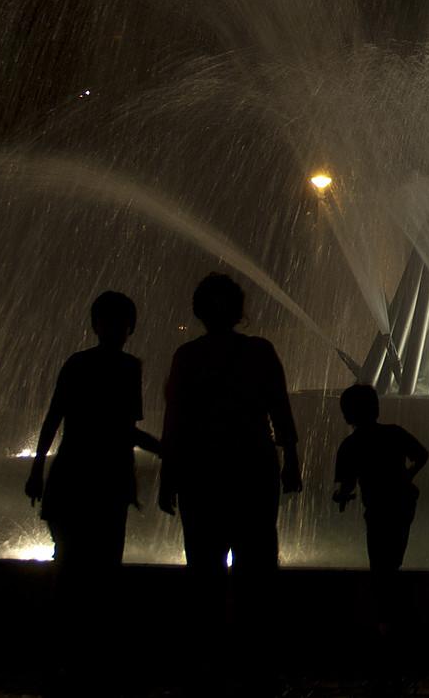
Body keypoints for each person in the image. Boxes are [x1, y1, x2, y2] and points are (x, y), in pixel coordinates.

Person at [158, 273, 301, 648]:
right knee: (256, 564)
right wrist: (291, 459)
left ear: (199, 311)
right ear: (240, 311)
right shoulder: (259, 351)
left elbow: (175, 422)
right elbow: (280, 409)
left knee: (205, 566)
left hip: (201, 472)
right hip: (253, 468)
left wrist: (167, 478)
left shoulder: (188, 356)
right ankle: (255, 651)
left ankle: (210, 651)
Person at [24, 290, 161, 661]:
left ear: (129, 327)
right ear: (98, 325)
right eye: (110, 321)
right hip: (96, 478)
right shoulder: (118, 367)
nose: (116, 328)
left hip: (86, 475)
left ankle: (68, 649)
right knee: (92, 565)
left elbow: (61, 419)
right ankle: (84, 650)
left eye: (121, 322)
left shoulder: (95, 365)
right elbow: (119, 429)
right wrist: (166, 450)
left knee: (76, 564)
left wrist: (38, 469)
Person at [331, 383, 428, 576]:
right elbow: (423, 454)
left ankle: (384, 595)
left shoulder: (350, 446)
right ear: (376, 408)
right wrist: (408, 475)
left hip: (377, 507)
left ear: (347, 415)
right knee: (394, 554)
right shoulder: (394, 433)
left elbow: (348, 483)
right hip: (402, 503)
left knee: (378, 558)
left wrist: (341, 496)